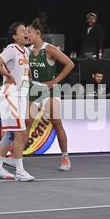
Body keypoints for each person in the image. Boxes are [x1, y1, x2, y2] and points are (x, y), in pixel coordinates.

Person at [23, 18, 74, 171]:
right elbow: (30, 70)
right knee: (26, 123)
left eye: (28, 32)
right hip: (34, 88)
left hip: (50, 89)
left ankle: (65, 157)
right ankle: (16, 156)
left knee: (56, 123)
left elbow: (70, 64)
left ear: (37, 33)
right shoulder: (28, 51)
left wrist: (55, 80)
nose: (26, 35)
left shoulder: (49, 49)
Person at [0, 22, 34, 182]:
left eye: (27, 31)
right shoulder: (11, 49)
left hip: (21, 94)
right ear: (15, 36)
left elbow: (23, 71)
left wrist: (27, 78)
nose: (26, 33)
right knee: (20, 133)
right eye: (22, 31)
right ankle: (20, 171)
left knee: (9, 135)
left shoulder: (26, 51)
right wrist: (8, 76)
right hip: (11, 94)